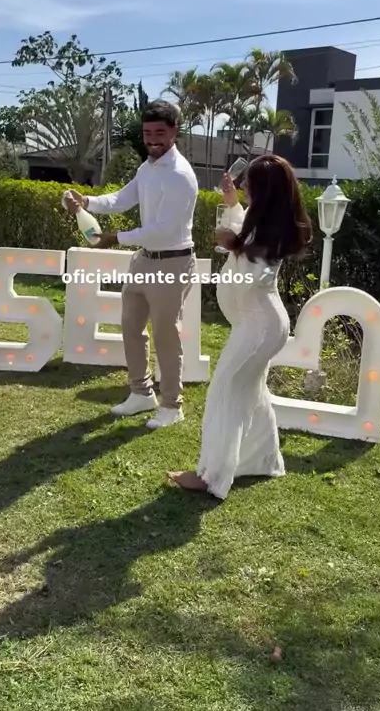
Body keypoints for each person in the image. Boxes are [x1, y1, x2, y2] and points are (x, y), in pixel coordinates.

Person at [168, 154, 312, 500]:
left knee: (225, 390)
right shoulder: (264, 220)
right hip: (258, 324)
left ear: (264, 190)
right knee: (249, 390)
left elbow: (254, 277)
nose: (243, 184)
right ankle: (262, 459)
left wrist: (235, 245)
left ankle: (212, 476)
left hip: (259, 327)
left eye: (249, 182)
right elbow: (246, 230)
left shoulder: (271, 231)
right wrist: (232, 205)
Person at [63, 99, 199, 429]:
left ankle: (172, 405)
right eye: (147, 133)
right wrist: (87, 202)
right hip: (145, 260)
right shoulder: (147, 168)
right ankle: (141, 393)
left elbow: (163, 230)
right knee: (131, 328)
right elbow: (122, 199)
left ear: (174, 132)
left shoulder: (180, 175)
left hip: (173, 263)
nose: (152, 140)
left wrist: (115, 238)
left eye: (159, 133)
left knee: (166, 336)